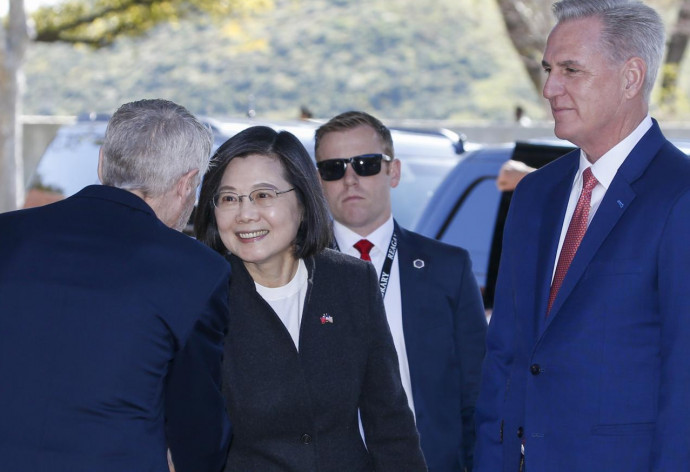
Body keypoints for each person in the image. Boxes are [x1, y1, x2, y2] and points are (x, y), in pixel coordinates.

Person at [474, 0, 690, 472]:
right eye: (548, 70)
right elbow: (505, 357)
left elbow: (685, 380)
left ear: (631, 76)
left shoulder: (680, 195)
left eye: (570, 70)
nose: (549, 88)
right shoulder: (534, 194)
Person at [0, 99, 231, 472]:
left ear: (102, 160)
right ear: (187, 183)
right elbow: (197, 428)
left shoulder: (6, 234)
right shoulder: (196, 271)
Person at [194, 125, 427, 472]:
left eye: (263, 195)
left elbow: (390, 424)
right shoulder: (201, 299)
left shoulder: (352, 282)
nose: (245, 214)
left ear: (302, 201)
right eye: (229, 198)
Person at [314, 111, 488, 472]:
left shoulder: (448, 268)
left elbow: (478, 391)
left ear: (393, 172)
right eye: (334, 168)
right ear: (318, 182)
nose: (350, 179)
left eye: (366, 164)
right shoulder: (298, 271)